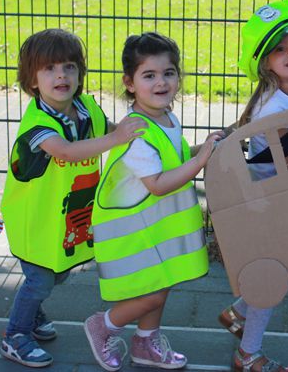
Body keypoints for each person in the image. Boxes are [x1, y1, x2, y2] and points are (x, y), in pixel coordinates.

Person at [0, 28, 146, 368]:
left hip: (65, 216)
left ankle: (31, 316)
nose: (61, 75)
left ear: (80, 72)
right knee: (40, 280)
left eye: (68, 66)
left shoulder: (84, 108)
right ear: (32, 80)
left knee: (59, 274)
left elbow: (106, 129)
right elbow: (66, 150)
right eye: (49, 69)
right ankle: (15, 335)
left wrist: (131, 129)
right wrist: (118, 137)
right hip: (34, 220)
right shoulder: (37, 126)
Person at [83, 32, 221, 371]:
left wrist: (199, 151)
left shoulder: (165, 119)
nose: (161, 82)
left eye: (169, 73)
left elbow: (170, 162)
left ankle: (146, 342)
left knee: (163, 284)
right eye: (149, 75)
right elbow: (158, 184)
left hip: (153, 229)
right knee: (153, 293)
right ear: (129, 83)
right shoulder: (139, 133)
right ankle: (104, 325)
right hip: (132, 234)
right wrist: (200, 160)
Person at [217, 1, 288, 371]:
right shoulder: (279, 108)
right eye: (280, 48)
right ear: (265, 62)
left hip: (272, 197)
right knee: (271, 278)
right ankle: (247, 354)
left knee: (280, 270)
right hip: (268, 201)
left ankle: (237, 313)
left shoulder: (284, 93)